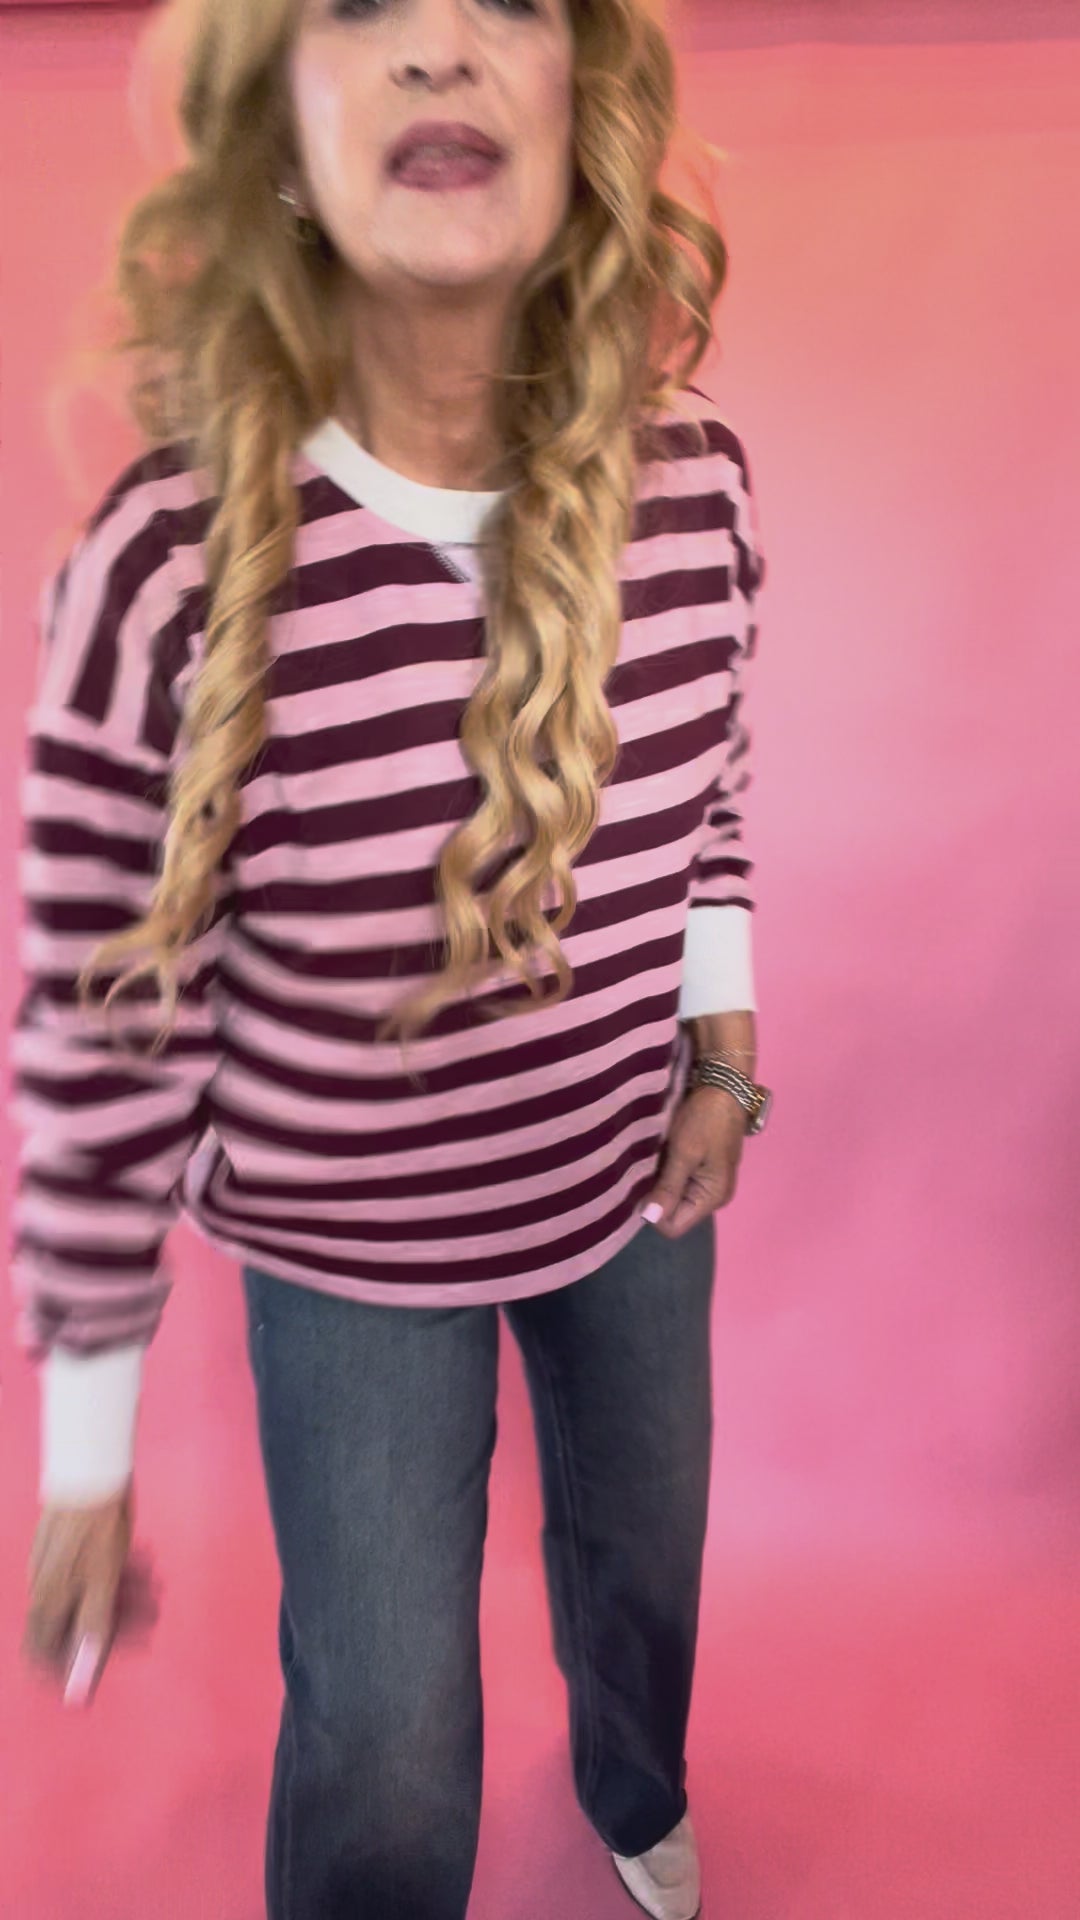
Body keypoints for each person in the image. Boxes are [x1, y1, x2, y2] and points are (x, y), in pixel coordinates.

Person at [14, 2, 771, 1917]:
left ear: (582, 99)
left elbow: (711, 781)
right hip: (347, 1260)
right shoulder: (166, 566)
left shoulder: (700, 485)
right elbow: (102, 1030)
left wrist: (717, 1040)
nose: (439, 44)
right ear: (279, 132)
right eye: (358, 4)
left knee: (648, 1570)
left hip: (628, 1192)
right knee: (385, 1738)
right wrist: (85, 1455)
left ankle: (634, 1788)